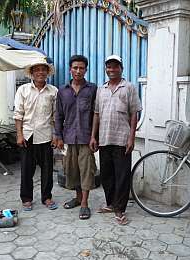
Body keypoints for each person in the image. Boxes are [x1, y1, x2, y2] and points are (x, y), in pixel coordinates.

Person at [90, 55, 142, 225]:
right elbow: (96, 113)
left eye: (115, 67)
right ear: (106, 69)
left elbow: (134, 113)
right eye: (109, 67)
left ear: (121, 68)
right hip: (105, 138)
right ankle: (111, 203)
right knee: (106, 174)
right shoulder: (101, 89)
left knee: (122, 175)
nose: (111, 70)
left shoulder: (129, 87)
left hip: (122, 139)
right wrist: (93, 136)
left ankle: (120, 209)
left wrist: (131, 137)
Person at [55, 55, 97, 220]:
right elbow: (58, 115)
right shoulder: (62, 91)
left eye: (81, 68)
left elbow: (96, 115)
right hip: (68, 138)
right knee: (72, 170)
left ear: (86, 69)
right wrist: (58, 135)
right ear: (70, 69)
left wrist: (95, 137)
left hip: (86, 138)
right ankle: (78, 197)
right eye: (75, 68)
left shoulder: (92, 89)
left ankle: (85, 203)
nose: (78, 71)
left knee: (86, 170)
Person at [14, 60, 58, 211]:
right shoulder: (23, 90)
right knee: (27, 169)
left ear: (47, 73)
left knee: (47, 169)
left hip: (46, 135)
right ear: (32, 73)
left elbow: (55, 116)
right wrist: (19, 134)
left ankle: (47, 197)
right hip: (27, 135)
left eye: (43, 70)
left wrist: (55, 135)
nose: (40, 72)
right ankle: (26, 198)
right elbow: (18, 114)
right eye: (37, 70)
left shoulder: (53, 91)